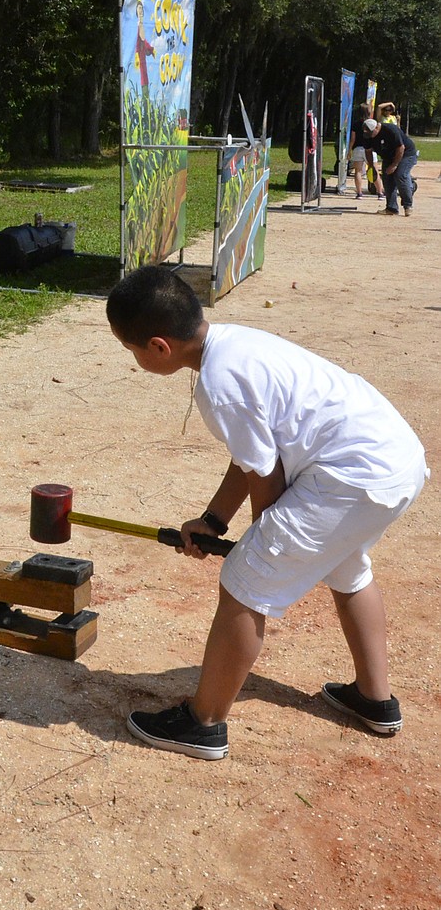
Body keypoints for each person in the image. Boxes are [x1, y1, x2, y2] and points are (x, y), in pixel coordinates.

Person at [105, 265, 428, 760]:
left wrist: (261, 544)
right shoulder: (232, 344)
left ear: (159, 347)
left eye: (132, 351)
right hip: (392, 462)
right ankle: (374, 699)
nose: (135, 360)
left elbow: (265, 476)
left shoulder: (218, 385)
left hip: (352, 476)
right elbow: (255, 455)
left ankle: (203, 723)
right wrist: (213, 520)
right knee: (348, 570)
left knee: (244, 581)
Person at [363, 118, 419, 217]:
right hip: (388, 157)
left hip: (406, 154)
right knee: (387, 179)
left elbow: (401, 148)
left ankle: (408, 206)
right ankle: (391, 208)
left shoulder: (391, 130)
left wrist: (394, 165)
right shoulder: (367, 135)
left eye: (371, 133)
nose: (370, 136)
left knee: (400, 175)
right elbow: (368, 151)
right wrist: (371, 166)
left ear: (377, 127)